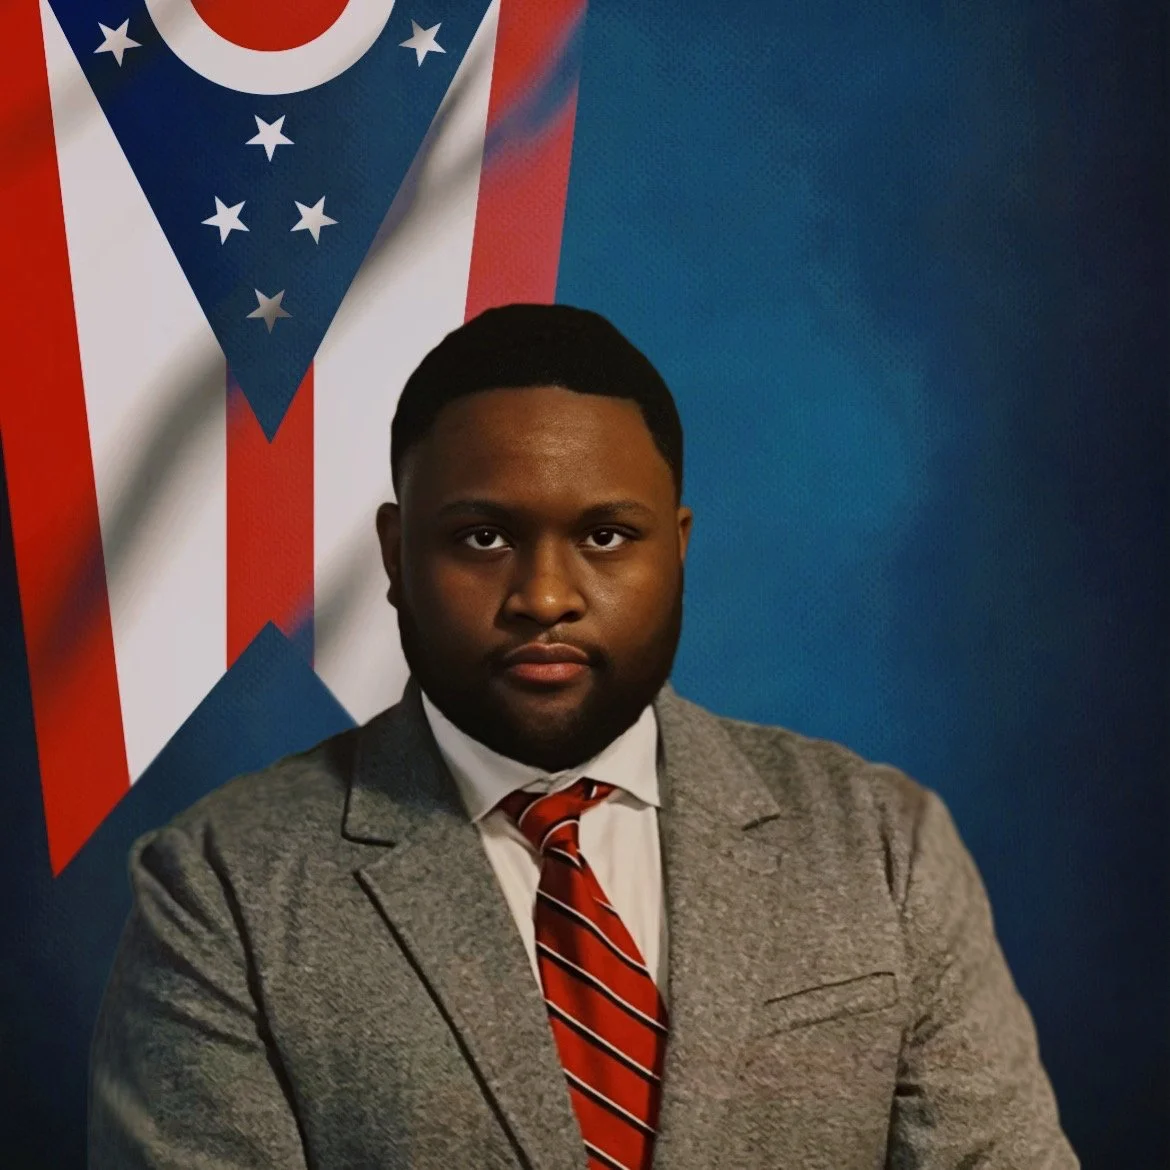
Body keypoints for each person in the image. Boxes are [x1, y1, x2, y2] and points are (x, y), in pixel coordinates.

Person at [89, 303, 1079, 1169]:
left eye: (606, 536)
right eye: (482, 538)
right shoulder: (220, 888)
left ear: (678, 550)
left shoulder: (884, 844)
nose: (545, 598)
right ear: (396, 555)